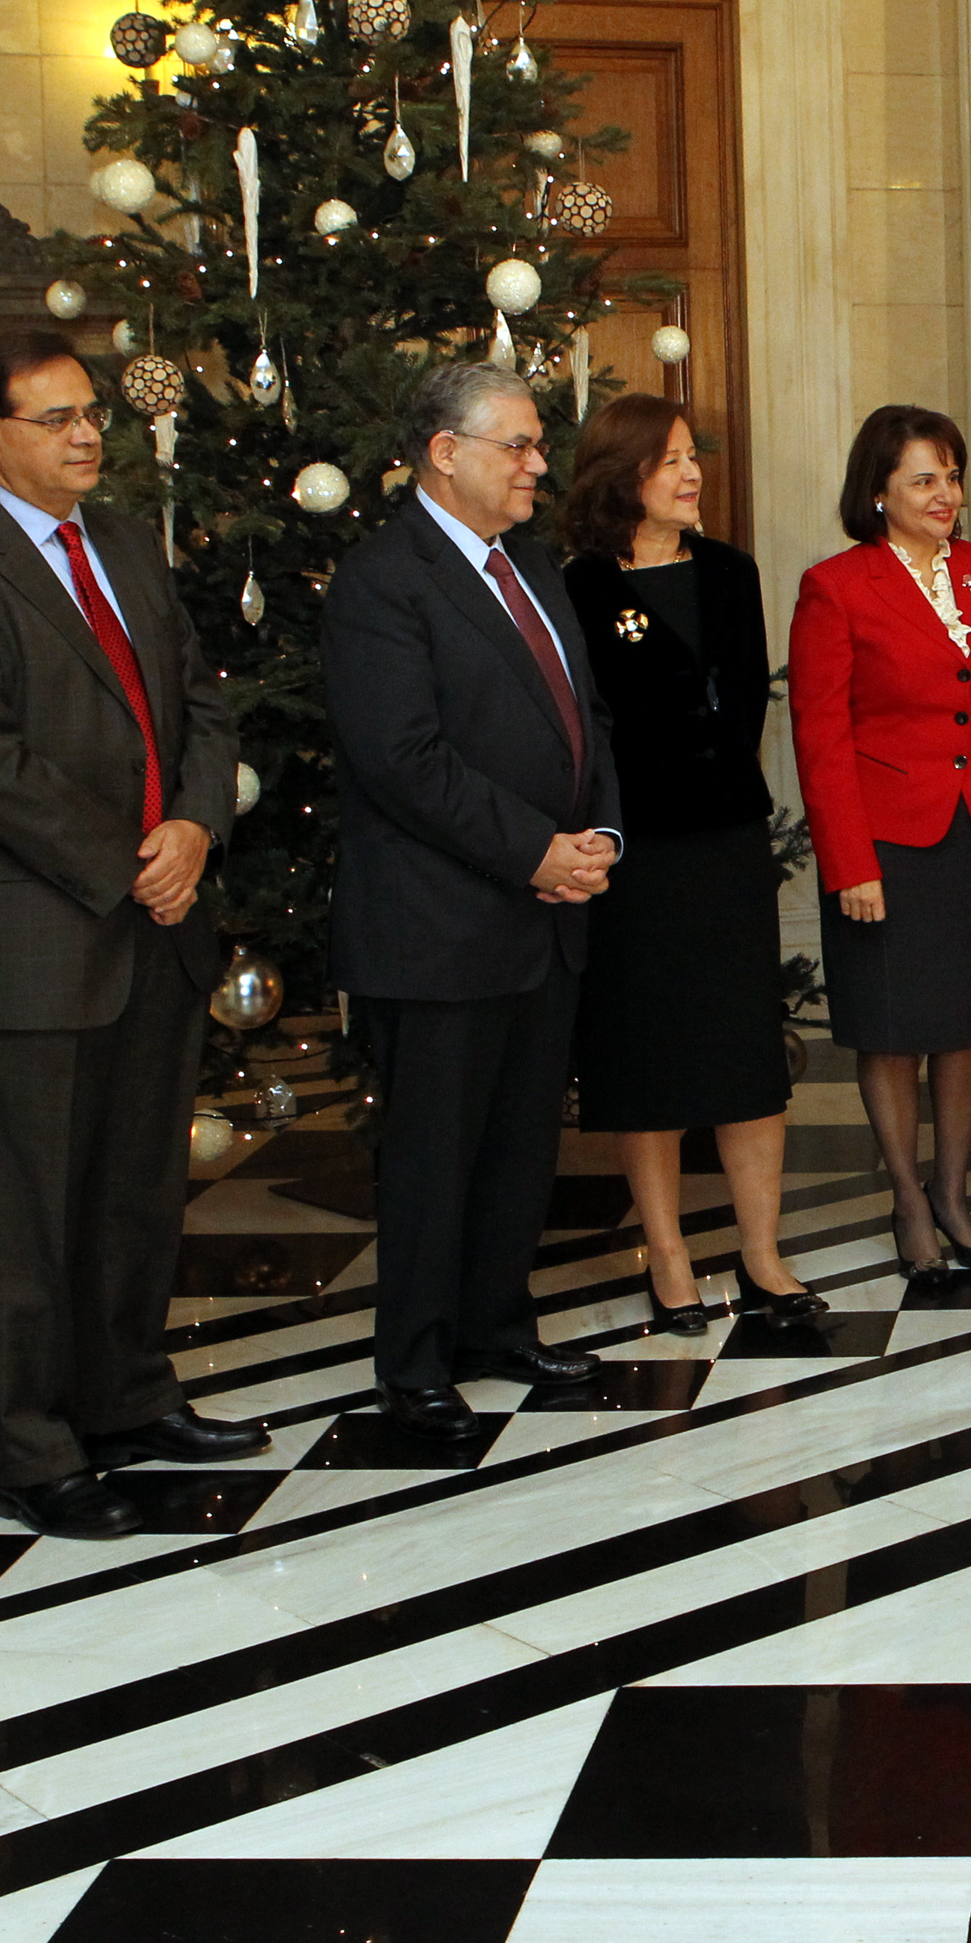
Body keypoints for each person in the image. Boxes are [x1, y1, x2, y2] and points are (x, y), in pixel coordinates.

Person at [0, 331, 261, 1535]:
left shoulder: (123, 548)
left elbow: (203, 703)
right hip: (41, 934)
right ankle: (35, 1447)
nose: (88, 433)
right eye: (56, 418)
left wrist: (196, 828)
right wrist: (130, 866)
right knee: (32, 1208)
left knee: (137, 1189)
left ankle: (128, 1396)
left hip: (159, 918)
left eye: (91, 412)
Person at [323, 360, 624, 1438]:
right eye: (520, 445)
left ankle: (497, 1322)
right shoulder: (384, 580)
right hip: (440, 923)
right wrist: (534, 851)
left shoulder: (531, 563)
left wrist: (600, 834)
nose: (541, 463)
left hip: (546, 912)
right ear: (445, 454)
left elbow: (583, 715)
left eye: (539, 443)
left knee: (519, 1144)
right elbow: (404, 762)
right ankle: (412, 1360)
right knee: (435, 1151)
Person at [792, 405, 971, 1283]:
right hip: (888, 845)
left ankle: (955, 1197)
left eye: (952, 477)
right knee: (892, 1032)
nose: (945, 495)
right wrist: (849, 862)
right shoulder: (836, 586)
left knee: (966, 1027)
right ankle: (908, 1202)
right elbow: (819, 737)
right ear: (876, 492)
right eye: (923, 479)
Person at [553, 394, 821, 1336]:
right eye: (669, 459)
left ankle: (761, 1253)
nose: (690, 472)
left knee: (745, 1053)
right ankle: (667, 1260)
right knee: (648, 1058)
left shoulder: (729, 571)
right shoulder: (578, 588)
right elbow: (588, 731)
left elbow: (743, 701)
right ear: (622, 473)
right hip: (635, 854)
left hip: (725, 843)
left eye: (691, 456)